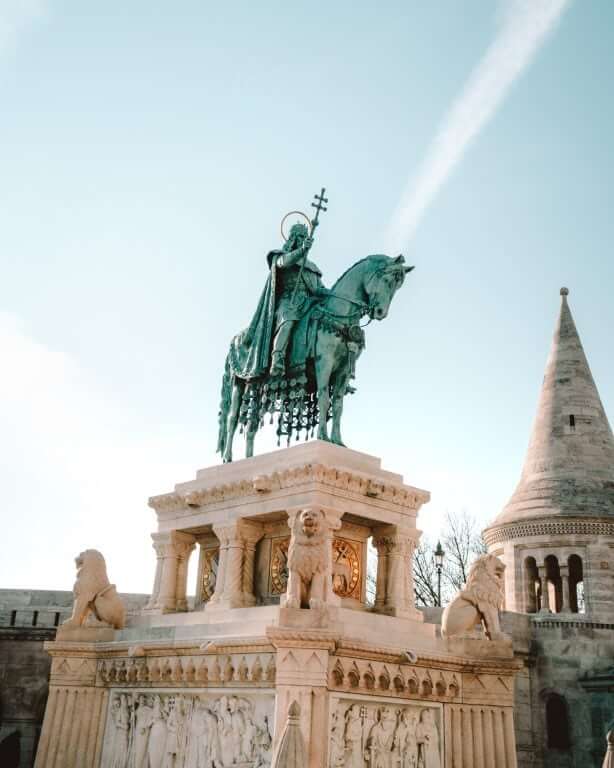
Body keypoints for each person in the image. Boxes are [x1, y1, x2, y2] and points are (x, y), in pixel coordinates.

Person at [228, 222, 328, 381]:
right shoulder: (280, 256)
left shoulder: (311, 267)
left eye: (305, 237)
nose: (303, 240)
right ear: (293, 238)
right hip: (289, 302)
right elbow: (284, 263)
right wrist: (302, 251)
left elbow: (319, 289)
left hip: (309, 302)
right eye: (300, 237)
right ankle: (277, 360)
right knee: (287, 322)